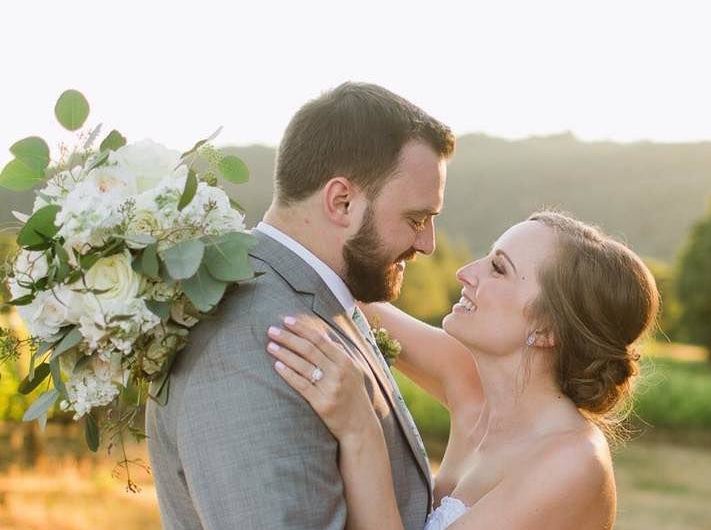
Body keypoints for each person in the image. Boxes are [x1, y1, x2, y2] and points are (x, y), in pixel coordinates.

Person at [146, 82, 455, 530]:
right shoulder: (253, 336)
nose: (427, 244)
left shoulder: (309, 300)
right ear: (341, 201)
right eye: (416, 219)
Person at [268, 211, 661, 530]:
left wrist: (359, 429)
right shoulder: (468, 378)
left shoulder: (571, 463)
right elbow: (337, 293)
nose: (466, 272)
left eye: (498, 268)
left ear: (546, 329)